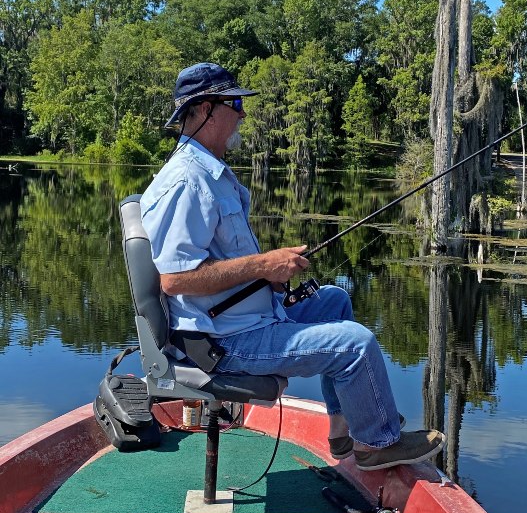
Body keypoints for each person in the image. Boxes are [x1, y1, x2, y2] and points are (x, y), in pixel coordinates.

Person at [140, 62, 445, 470]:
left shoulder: (207, 174)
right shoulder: (187, 181)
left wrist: (269, 276)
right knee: (355, 344)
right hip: (223, 342)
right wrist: (265, 263)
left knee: (334, 300)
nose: (242, 113)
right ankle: (376, 444)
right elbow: (175, 279)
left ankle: (343, 430)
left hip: (241, 319)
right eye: (234, 102)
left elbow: (219, 265)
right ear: (205, 109)